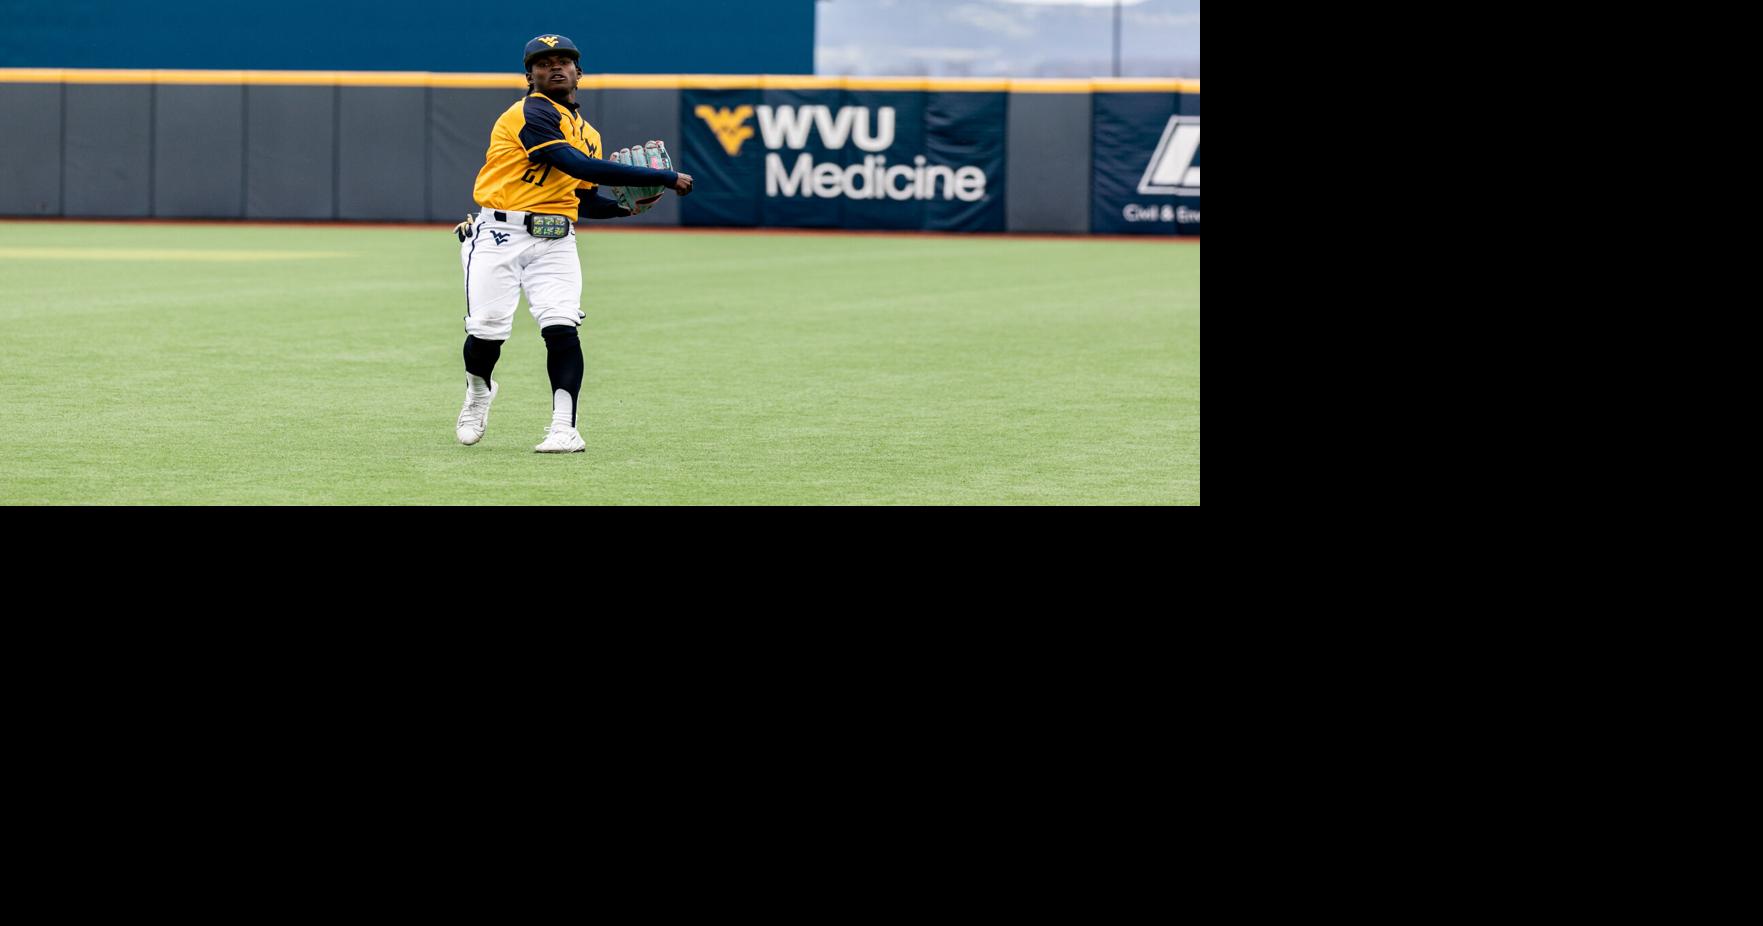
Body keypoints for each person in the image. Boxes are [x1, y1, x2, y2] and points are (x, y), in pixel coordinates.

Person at [454, 33, 694, 453]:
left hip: (556, 241)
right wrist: (663, 177)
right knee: (487, 333)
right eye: (544, 63)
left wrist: (625, 210)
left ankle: (564, 428)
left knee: (561, 328)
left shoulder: (589, 133)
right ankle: (479, 391)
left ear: (579, 73)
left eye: (564, 61)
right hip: (498, 234)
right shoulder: (530, 113)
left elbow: (582, 199)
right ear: (530, 75)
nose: (556, 67)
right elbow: (572, 163)